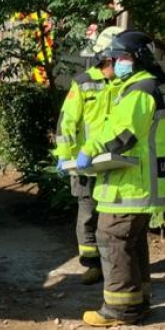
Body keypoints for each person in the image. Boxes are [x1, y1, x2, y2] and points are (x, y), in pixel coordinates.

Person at [75, 30, 165, 326]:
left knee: (113, 238)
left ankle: (120, 310)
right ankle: (137, 301)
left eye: (122, 57)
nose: (115, 62)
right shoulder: (136, 87)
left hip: (130, 183)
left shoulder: (140, 90)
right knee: (131, 242)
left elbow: (123, 134)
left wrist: (89, 149)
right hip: (133, 182)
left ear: (138, 59)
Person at [54, 26, 122, 284]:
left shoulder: (124, 84)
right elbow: (67, 123)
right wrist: (65, 155)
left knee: (111, 218)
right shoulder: (83, 83)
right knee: (87, 215)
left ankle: (110, 262)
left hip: (113, 162)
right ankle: (91, 263)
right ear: (107, 57)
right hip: (85, 164)